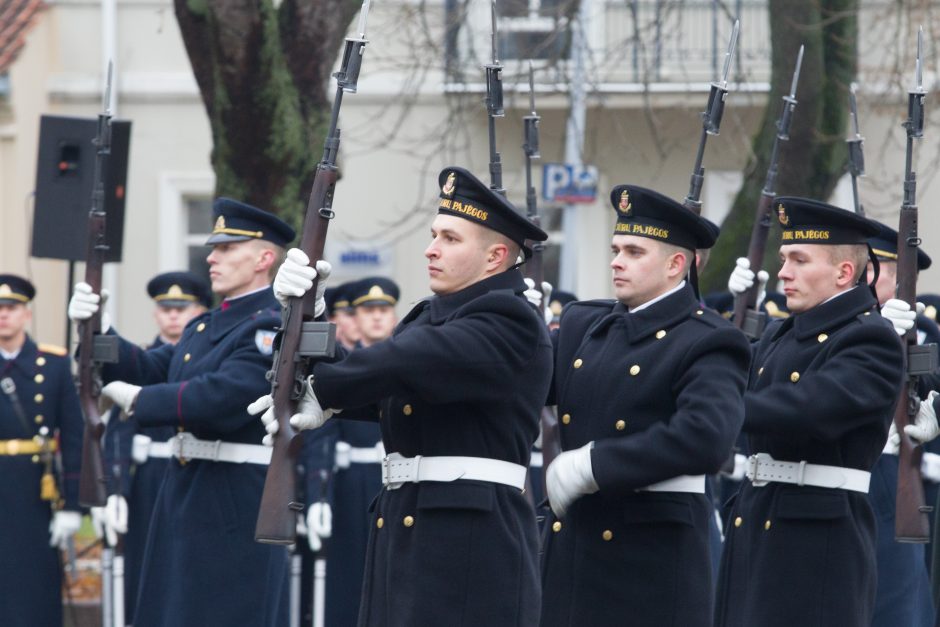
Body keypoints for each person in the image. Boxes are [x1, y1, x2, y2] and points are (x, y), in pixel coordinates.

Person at [253, 166, 553, 626]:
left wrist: (324, 388)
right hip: (405, 529)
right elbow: (386, 389)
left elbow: (403, 362)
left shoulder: (509, 318)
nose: (431, 249)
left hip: (471, 545)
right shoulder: (433, 316)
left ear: (496, 256)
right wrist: (305, 320)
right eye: (434, 235)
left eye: (450, 239)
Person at [68, 198, 309, 627]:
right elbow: (153, 368)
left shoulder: (270, 326)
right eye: (213, 247)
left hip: (232, 500)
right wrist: (99, 330)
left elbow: (220, 398)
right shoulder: (207, 325)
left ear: (264, 258)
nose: (211, 257)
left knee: (221, 613)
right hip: (188, 493)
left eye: (226, 249)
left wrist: (140, 400)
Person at [538, 185, 750, 627]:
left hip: (652, 560)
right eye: (617, 249)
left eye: (634, 251)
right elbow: (520, 386)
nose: (616, 260)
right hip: (577, 551)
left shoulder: (708, 339)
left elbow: (706, 438)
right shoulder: (585, 325)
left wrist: (594, 464)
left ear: (677, 265)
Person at [715, 197, 907, 627]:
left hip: (816, 538)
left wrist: (719, 410)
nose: (783, 272)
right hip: (758, 517)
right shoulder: (783, 334)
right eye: (784, 258)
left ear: (843, 273)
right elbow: (719, 371)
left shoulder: (870, 338)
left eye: (799, 260)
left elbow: (812, 408)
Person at [94, 271, 212, 623]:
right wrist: (113, 490)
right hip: (149, 478)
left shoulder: (205, 359)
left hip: (199, 469)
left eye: (182, 307)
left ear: (201, 310)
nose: (173, 315)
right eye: (166, 308)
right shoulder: (140, 359)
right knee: (147, 563)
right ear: (155, 313)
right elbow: (118, 431)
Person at [300, 277, 399, 626]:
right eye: (367, 311)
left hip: (395, 480)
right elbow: (321, 435)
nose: (375, 318)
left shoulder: (406, 364)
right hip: (349, 484)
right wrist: (319, 495)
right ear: (355, 318)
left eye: (383, 310)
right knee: (347, 578)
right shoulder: (348, 365)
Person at [0, 274, 83, 627]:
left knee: (33, 584)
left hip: (35, 490)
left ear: (26, 315)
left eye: (12, 307)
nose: (4, 314)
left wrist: (73, 506)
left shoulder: (54, 364)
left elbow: (75, 435)